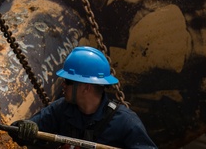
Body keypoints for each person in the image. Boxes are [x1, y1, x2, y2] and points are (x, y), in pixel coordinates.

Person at [12, 46, 156, 149]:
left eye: (68, 81)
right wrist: (23, 128)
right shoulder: (61, 109)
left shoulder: (125, 122)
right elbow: (17, 131)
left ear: (86, 87)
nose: (63, 84)